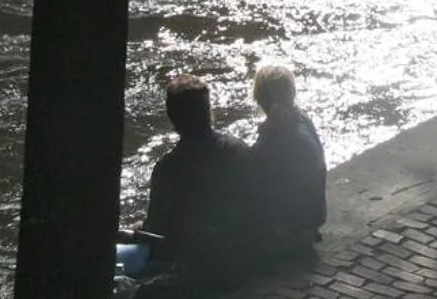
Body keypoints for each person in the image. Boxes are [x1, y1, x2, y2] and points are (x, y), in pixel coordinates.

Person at [119, 74, 259, 289]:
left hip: (197, 269)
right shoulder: (239, 149)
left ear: (172, 118)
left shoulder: (168, 168)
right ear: (208, 110)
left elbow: (157, 230)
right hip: (245, 259)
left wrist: (136, 230)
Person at [250, 63, 326, 263]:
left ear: (258, 99)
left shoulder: (269, 142)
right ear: (292, 94)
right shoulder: (303, 121)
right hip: (313, 218)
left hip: (287, 228)